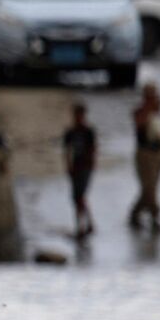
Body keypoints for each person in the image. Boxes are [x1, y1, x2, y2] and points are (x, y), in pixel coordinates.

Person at [129, 84, 160, 233]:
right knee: (149, 187)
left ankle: (138, 213)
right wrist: (149, 109)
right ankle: (153, 214)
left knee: (152, 187)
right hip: (144, 153)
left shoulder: (157, 113)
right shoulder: (140, 111)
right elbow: (139, 125)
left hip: (156, 153)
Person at [62, 101, 98, 238]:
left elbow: (93, 149)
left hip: (85, 167)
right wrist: (68, 166)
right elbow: (66, 151)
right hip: (76, 166)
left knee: (80, 197)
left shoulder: (88, 131)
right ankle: (85, 225)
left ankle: (82, 226)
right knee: (77, 198)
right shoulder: (70, 132)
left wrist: (91, 164)